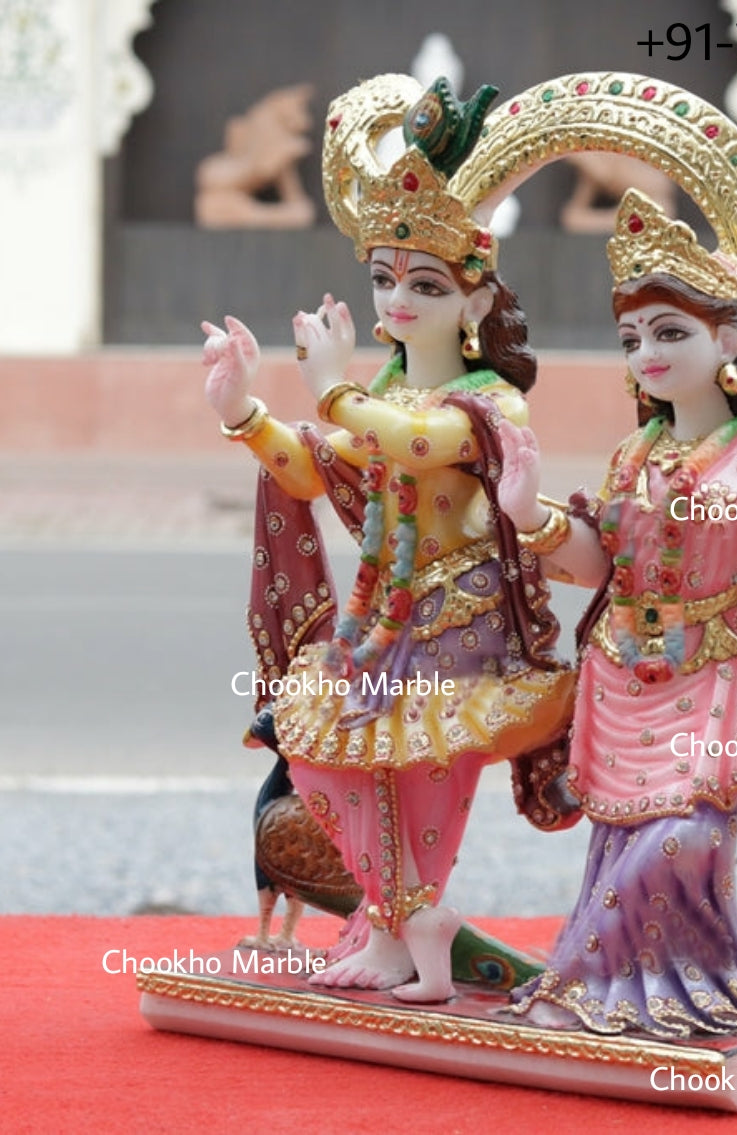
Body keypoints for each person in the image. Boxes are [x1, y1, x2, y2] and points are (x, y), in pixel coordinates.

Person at [201, 75, 574, 1002]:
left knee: (423, 778)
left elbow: (409, 446)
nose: (396, 301)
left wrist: (331, 391)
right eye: (382, 280)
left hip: (461, 623)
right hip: (380, 622)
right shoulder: (383, 391)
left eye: (423, 284)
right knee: (328, 757)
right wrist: (245, 409)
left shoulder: (488, 402)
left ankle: (414, 929)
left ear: (474, 303)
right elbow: (317, 466)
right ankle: (401, 922)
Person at [498, 188, 737, 1038]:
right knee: (618, 843)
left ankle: (645, 988)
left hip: (706, 675)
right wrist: (530, 517)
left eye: (672, 332)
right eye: (633, 338)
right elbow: (603, 562)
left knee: (686, 841)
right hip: (620, 678)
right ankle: (614, 995)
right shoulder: (636, 453)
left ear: (730, 338)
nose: (648, 354)